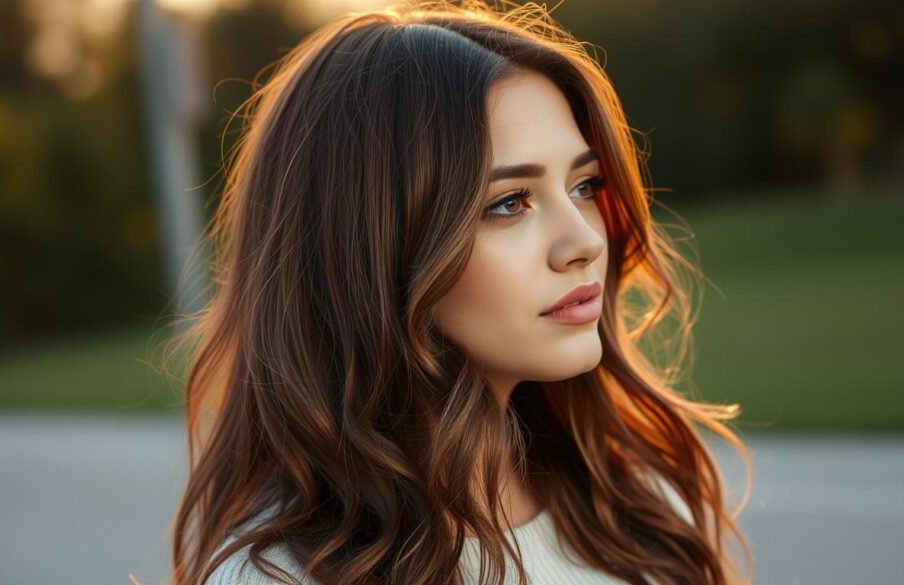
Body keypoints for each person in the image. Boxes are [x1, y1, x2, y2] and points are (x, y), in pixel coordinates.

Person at [162, 1, 754, 584]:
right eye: (508, 203)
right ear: (372, 253)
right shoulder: (281, 579)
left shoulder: (634, 504)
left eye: (583, 185)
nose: (583, 241)